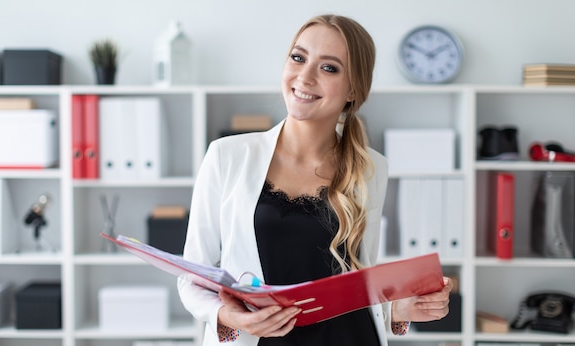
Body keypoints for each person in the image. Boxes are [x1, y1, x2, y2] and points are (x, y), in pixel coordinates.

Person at [178, 14, 453, 346]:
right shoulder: (226, 156)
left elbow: (359, 285)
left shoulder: (371, 168)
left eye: (329, 68)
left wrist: (400, 308)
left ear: (353, 89)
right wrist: (227, 316)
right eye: (298, 57)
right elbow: (193, 277)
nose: (304, 76)